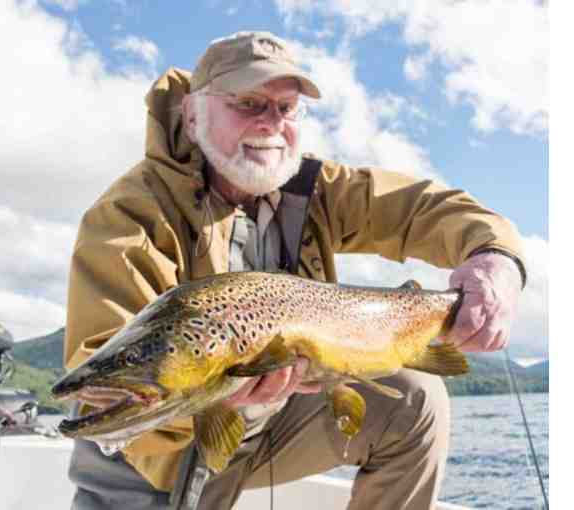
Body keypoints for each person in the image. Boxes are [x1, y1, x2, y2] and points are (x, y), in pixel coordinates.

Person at [63, 31, 526, 510]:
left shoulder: (313, 187)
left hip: (268, 417)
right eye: (248, 103)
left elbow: (421, 209)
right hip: (157, 456)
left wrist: (498, 259)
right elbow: (105, 369)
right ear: (193, 114)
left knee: (414, 399)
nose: (271, 123)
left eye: (286, 109)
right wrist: (222, 391)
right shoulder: (129, 216)